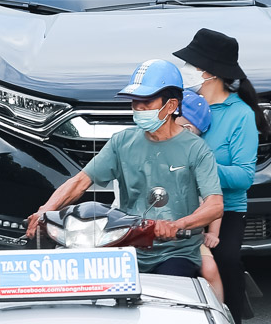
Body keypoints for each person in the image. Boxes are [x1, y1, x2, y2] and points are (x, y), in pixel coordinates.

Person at [24, 59, 223, 277]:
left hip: (176, 252)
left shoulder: (196, 149)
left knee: (169, 293)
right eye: (134, 102)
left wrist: (177, 225)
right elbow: (81, 181)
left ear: (172, 105)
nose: (138, 108)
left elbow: (214, 206)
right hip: (126, 246)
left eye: (146, 102)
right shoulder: (122, 142)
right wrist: (45, 210)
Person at [175, 27, 264, 324]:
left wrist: (201, 164)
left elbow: (242, 178)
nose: (186, 71)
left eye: (191, 65)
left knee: (224, 260)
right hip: (181, 205)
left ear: (208, 72)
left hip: (225, 210)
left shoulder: (240, 115)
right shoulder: (183, 103)